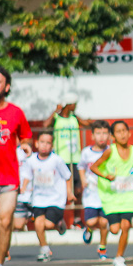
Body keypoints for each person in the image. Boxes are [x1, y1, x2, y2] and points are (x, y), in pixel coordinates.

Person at [89, 121, 133, 266]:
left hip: (128, 195)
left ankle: (119, 258)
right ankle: (105, 230)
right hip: (112, 196)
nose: (122, 134)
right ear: (112, 136)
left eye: (124, 131)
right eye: (118, 132)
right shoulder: (110, 151)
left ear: (129, 133)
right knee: (114, 229)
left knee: (126, 225)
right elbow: (94, 167)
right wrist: (106, 175)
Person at [0, 65, 33, 266]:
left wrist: (26, 145)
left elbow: (26, 136)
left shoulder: (16, 112)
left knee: (5, 221)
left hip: (8, 177)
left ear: (6, 87)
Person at [22, 130, 73, 262]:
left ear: (52, 145)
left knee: (48, 224)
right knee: (38, 223)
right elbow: (27, 175)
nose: (45, 145)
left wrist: (69, 192)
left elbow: (67, 176)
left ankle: (58, 224)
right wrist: (23, 188)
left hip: (56, 198)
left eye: (48, 143)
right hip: (39, 198)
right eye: (42, 142)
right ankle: (44, 248)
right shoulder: (31, 160)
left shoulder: (57, 160)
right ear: (36, 144)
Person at [43, 92, 90, 222]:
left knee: (78, 189)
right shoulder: (57, 118)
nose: (75, 107)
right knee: (61, 190)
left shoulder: (74, 117)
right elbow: (46, 125)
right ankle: (59, 218)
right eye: (74, 104)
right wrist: (55, 111)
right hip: (61, 159)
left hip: (75, 158)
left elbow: (86, 124)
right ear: (69, 104)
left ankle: (76, 219)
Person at [78, 120, 112, 259]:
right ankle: (89, 228)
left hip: (106, 193)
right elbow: (81, 167)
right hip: (90, 193)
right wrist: (83, 180)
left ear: (109, 135)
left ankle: (102, 247)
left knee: (104, 222)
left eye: (105, 133)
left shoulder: (111, 151)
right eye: (98, 133)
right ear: (92, 136)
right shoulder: (87, 152)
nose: (102, 137)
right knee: (91, 221)